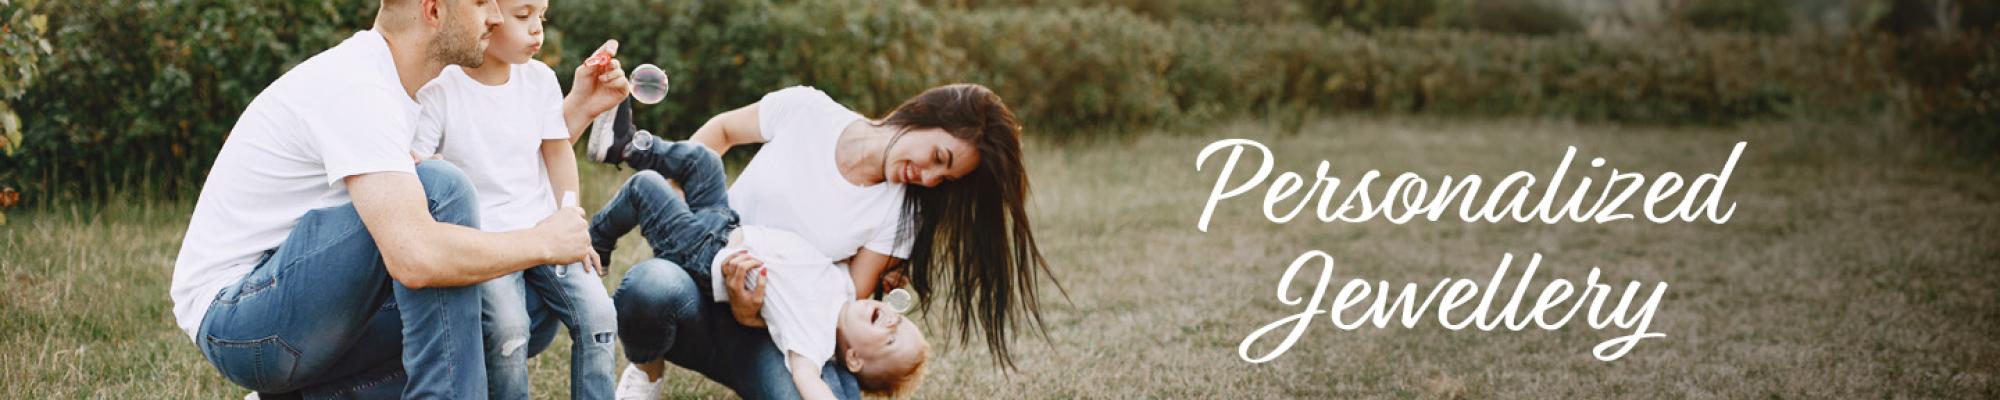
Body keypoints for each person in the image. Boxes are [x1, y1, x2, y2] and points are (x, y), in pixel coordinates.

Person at [168, 0, 628, 397]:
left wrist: (579, 107)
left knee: (525, 308)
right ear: (434, 10)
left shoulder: (401, 87)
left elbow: (502, 160)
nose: (494, 16)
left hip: (298, 308)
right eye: (480, 4)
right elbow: (416, 258)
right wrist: (544, 242)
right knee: (442, 190)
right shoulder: (359, 86)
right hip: (242, 322)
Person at [596, 84, 1055, 400]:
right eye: (938, 157)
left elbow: (839, 308)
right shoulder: (808, 110)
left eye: (945, 176)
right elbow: (722, 133)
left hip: (773, 332)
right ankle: (646, 372)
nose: (930, 177)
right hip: (701, 275)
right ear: (927, 116)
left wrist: (753, 311)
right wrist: (681, 212)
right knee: (650, 285)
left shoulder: (899, 214)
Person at [586, 135, 930, 399]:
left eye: (890, 339)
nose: (891, 320)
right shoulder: (844, 287)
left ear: (853, 360)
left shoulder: (813, 339)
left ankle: (595, 242)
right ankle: (629, 143)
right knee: (705, 161)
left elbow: (809, 381)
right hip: (726, 224)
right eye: (900, 320)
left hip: (706, 256)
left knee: (645, 187)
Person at [406, 0, 623, 397]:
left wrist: (571, 218)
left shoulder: (539, 79)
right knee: (508, 330)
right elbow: (421, 166)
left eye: (542, 16)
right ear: (484, 15)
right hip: (488, 244)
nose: (537, 29)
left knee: (600, 316)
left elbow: (556, 152)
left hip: (545, 226)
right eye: (523, 16)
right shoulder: (441, 88)